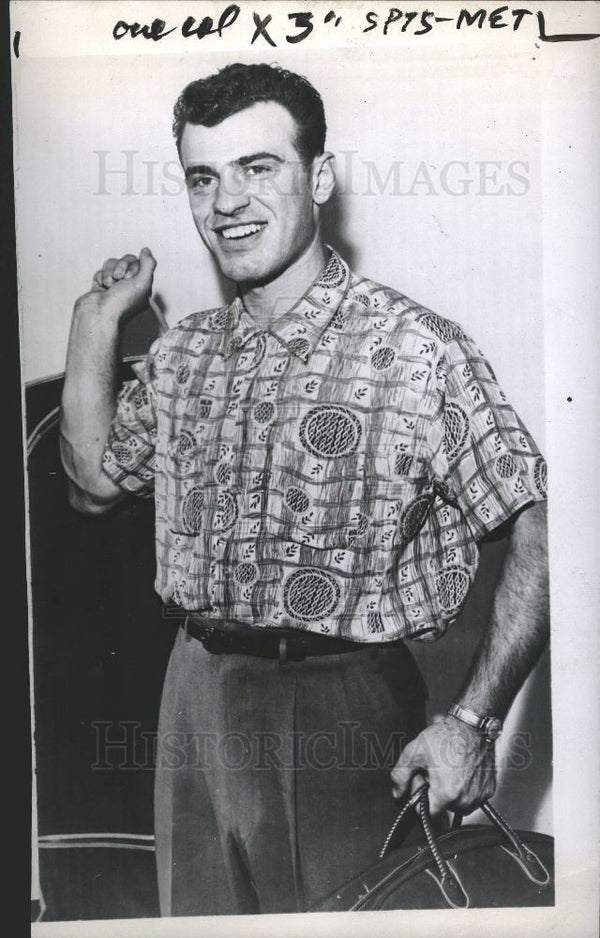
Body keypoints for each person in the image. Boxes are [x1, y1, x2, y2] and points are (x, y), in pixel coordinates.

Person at [60, 63, 549, 916]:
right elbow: (94, 483)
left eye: (259, 168)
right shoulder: (185, 354)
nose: (227, 203)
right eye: (203, 178)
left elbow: (544, 528)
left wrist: (473, 722)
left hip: (340, 709)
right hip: (193, 696)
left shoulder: (415, 349)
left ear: (318, 177)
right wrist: (93, 328)